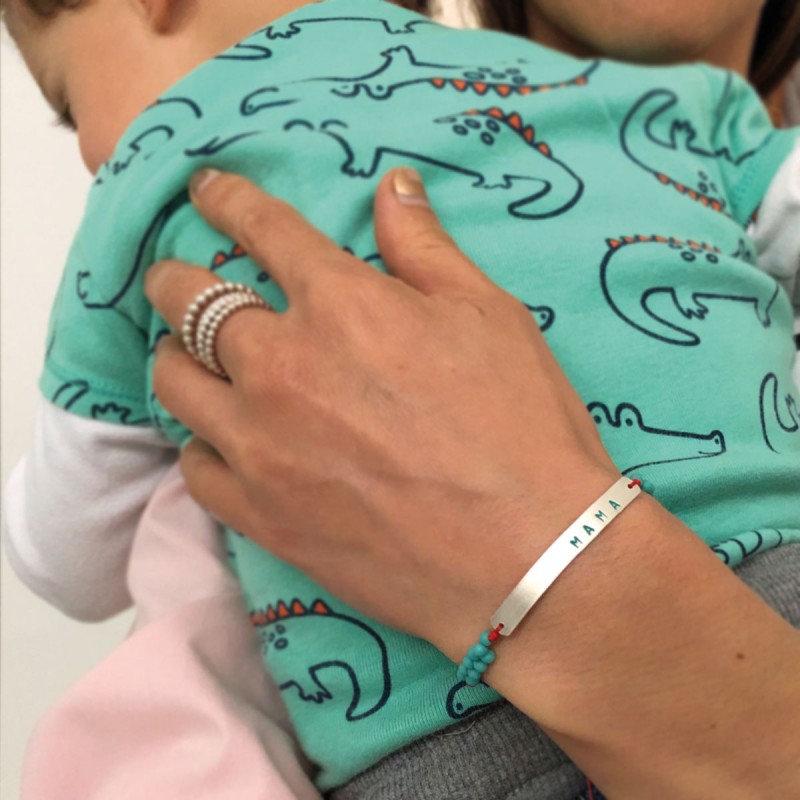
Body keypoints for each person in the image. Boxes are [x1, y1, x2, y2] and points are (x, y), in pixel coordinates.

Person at [2, 0, 799, 796]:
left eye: (70, 107)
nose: (94, 155)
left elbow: (66, 558)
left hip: (439, 752)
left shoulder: (147, 193)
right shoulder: (671, 102)